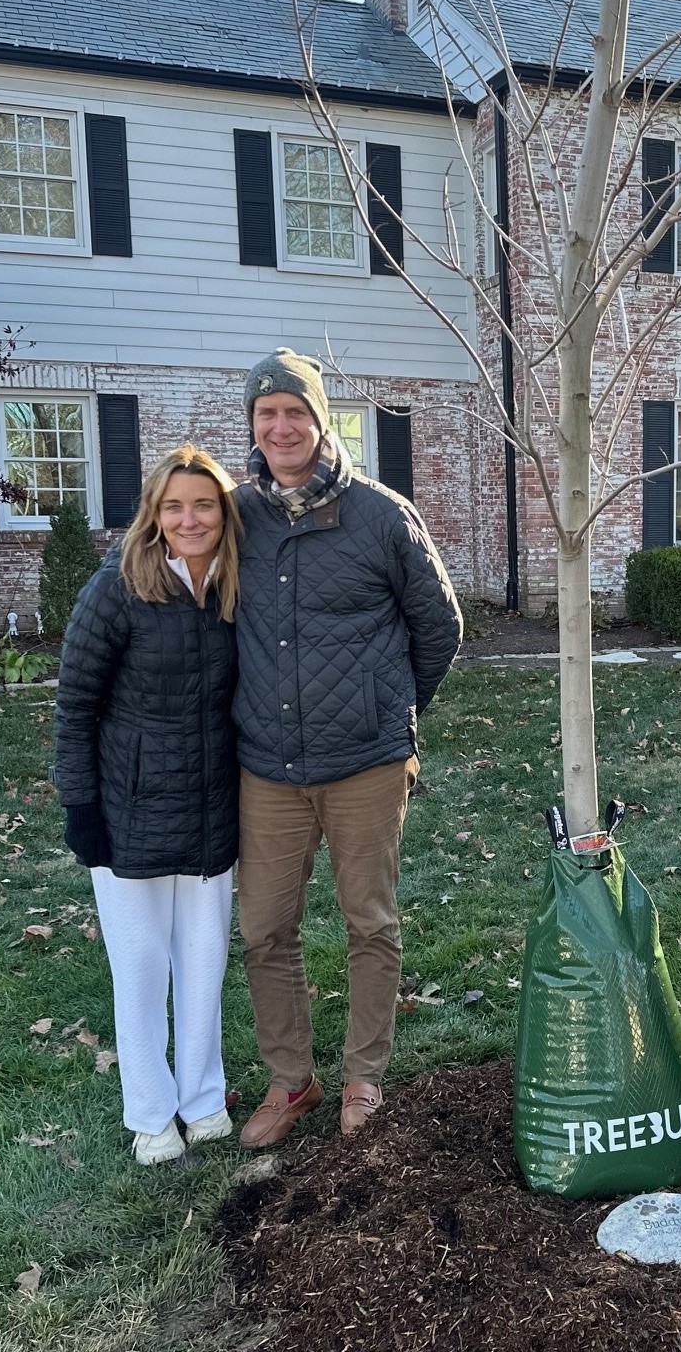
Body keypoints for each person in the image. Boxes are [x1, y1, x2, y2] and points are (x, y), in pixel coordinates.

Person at [233, 350, 463, 1148]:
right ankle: (291, 1082)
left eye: (296, 411)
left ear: (321, 420)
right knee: (264, 927)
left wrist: (389, 711)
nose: (282, 426)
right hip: (267, 765)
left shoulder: (380, 514)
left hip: (365, 763)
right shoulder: (236, 518)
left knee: (368, 921)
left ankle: (364, 1076)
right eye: (268, 414)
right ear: (254, 426)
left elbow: (440, 627)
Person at [54, 447, 242, 1165]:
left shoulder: (232, 583)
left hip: (213, 809)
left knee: (203, 961)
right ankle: (151, 1115)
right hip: (128, 808)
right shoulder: (118, 586)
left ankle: (202, 1099)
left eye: (204, 505)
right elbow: (75, 707)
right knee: (140, 969)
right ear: (154, 515)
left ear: (223, 514)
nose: (189, 519)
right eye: (174, 506)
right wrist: (82, 807)